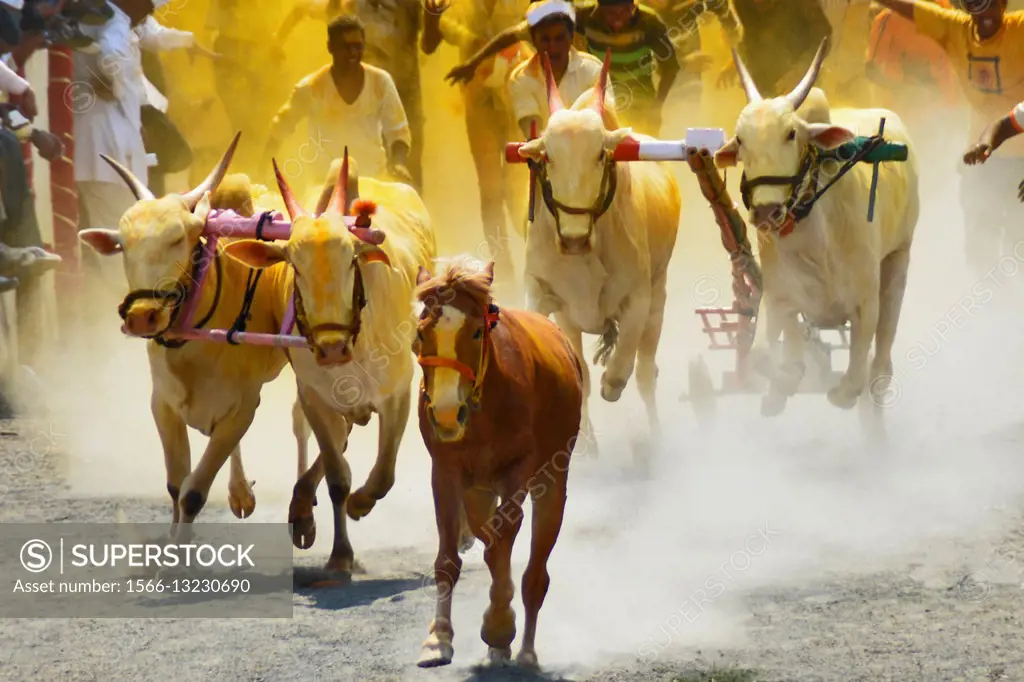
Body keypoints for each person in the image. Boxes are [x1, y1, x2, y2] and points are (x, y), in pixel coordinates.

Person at [872, 0, 1024, 274]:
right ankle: (989, 306)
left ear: (1004, 5)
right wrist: (985, 145)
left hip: (1021, 164)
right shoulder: (955, 29)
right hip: (981, 157)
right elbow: (909, 9)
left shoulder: (1020, 29)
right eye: (975, 4)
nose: (985, 14)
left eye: (992, 4)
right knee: (980, 245)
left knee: (1018, 244)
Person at [73, 0, 205, 299]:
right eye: (146, 7)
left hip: (118, 148)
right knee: (120, 234)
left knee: (128, 228)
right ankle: (126, 303)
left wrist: (188, 40)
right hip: (104, 148)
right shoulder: (113, 22)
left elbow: (152, 34)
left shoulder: (121, 20)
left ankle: (129, 299)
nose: (147, 15)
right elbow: (110, 61)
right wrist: (107, 86)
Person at [444, 0, 683, 135]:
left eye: (624, 13)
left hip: (640, 107)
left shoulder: (651, 23)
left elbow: (671, 67)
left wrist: (656, 105)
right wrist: (473, 63)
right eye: (611, 14)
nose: (618, 21)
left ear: (634, 6)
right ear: (599, 7)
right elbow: (514, 34)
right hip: (594, 109)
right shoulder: (580, 19)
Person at [421, 0, 531, 287]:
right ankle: (504, 269)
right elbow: (432, 40)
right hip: (478, 97)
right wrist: (435, 17)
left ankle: (536, 261)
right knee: (491, 187)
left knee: (521, 186)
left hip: (521, 94)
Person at [275, 0, 426, 192]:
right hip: (334, 171)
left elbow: (399, 132)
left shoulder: (407, 5)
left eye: (357, 47)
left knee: (405, 186)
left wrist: (399, 163)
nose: (352, 53)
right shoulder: (345, 6)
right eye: (346, 47)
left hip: (399, 98)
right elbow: (302, 9)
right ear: (331, 47)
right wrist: (277, 42)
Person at [507, 0, 614, 137]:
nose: (553, 48)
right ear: (533, 40)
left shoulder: (593, 70)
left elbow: (608, 125)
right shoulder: (521, 79)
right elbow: (532, 133)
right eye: (545, 39)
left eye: (560, 38)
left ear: (571, 37)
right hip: (545, 156)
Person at [716, 0, 833, 98]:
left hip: (802, 89)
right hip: (762, 88)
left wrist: (799, 73)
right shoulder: (742, 2)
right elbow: (751, 36)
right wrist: (737, 62)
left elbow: (824, 38)